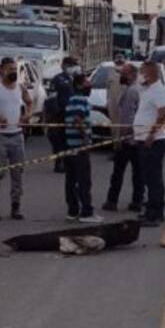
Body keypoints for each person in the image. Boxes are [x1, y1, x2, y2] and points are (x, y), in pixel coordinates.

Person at [0, 57, 32, 221]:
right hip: (0, 136)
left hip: (17, 135)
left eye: (14, 69)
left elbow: (29, 103)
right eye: (9, 69)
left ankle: (16, 207)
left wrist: (26, 115)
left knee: (17, 173)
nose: (12, 72)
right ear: (1, 70)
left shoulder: (20, 87)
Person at [133, 60, 165, 228]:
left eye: (142, 71)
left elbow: (163, 114)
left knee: (154, 178)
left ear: (150, 73)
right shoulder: (148, 90)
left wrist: (150, 135)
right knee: (148, 177)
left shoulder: (159, 90)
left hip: (154, 141)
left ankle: (155, 213)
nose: (140, 75)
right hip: (143, 139)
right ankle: (150, 210)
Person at [104, 63, 143, 213]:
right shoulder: (135, 90)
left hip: (129, 139)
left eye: (124, 74)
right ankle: (137, 201)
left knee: (118, 172)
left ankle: (112, 201)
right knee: (138, 173)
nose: (121, 76)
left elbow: (127, 118)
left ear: (132, 75)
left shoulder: (131, 91)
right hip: (137, 137)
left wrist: (121, 138)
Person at [62, 74, 100, 223]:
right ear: (79, 85)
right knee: (84, 180)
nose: (89, 85)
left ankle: (72, 211)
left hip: (70, 146)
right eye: (86, 82)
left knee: (71, 179)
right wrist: (85, 136)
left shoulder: (72, 99)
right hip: (79, 146)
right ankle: (86, 212)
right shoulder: (80, 99)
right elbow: (78, 119)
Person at [48, 57, 79, 172]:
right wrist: (56, 112)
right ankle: (59, 163)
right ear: (64, 66)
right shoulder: (58, 79)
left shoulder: (75, 79)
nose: (74, 67)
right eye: (71, 65)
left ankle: (68, 162)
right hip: (60, 114)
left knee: (69, 140)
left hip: (72, 114)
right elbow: (52, 97)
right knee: (58, 139)